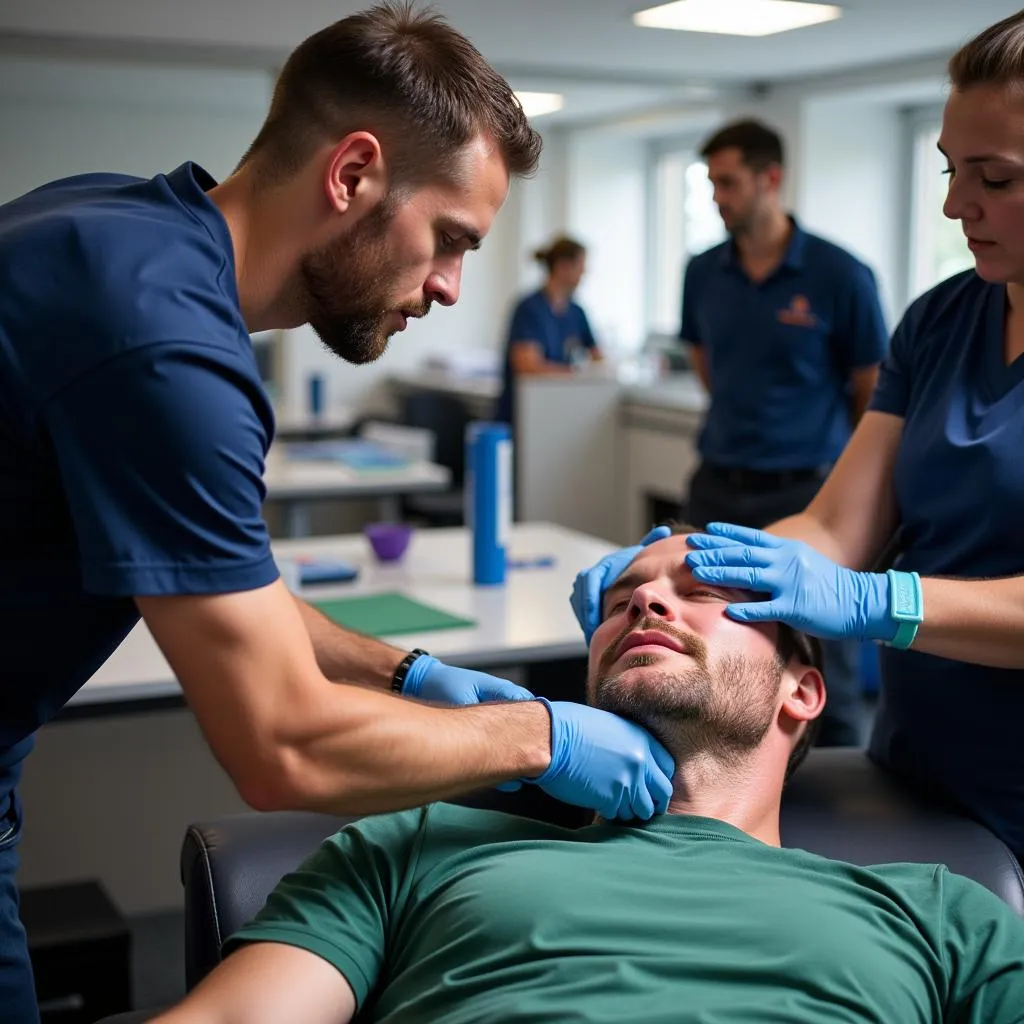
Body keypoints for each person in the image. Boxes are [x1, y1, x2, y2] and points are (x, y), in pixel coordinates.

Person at [0, 5, 675, 1018]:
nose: (450, 287)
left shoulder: (118, 227)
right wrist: (540, 735)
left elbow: (235, 593)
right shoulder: (165, 351)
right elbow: (283, 747)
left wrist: (406, 670)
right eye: (448, 238)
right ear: (352, 173)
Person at [152, 529, 1024, 1024]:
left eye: (706, 591)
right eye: (622, 602)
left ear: (803, 692)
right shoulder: (413, 852)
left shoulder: (943, 917)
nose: (646, 602)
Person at [577, 12, 1024, 866]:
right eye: (947, 169)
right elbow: (830, 529)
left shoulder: (841, 277)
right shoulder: (941, 321)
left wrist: (878, 603)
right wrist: (679, 571)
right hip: (921, 773)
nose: (953, 204)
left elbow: (854, 580)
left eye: (994, 179)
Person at [679, 118, 890, 748]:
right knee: (710, 649)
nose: (718, 196)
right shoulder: (702, 271)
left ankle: (851, 809)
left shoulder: (840, 275)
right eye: (711, 183)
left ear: (772, 179)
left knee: (827, 662)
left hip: (809, 493)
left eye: (729, 182)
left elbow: (870, 390)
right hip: (718, 484)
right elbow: (706, 362)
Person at [496, 235, 601, 424]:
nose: (584, 274)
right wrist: (575, 374)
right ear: (563, 267)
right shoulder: (529, 308)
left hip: (556, 410)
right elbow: (527, 367)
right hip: (524, 414)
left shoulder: (576, 312)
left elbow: (598, 357)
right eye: (580, 267)